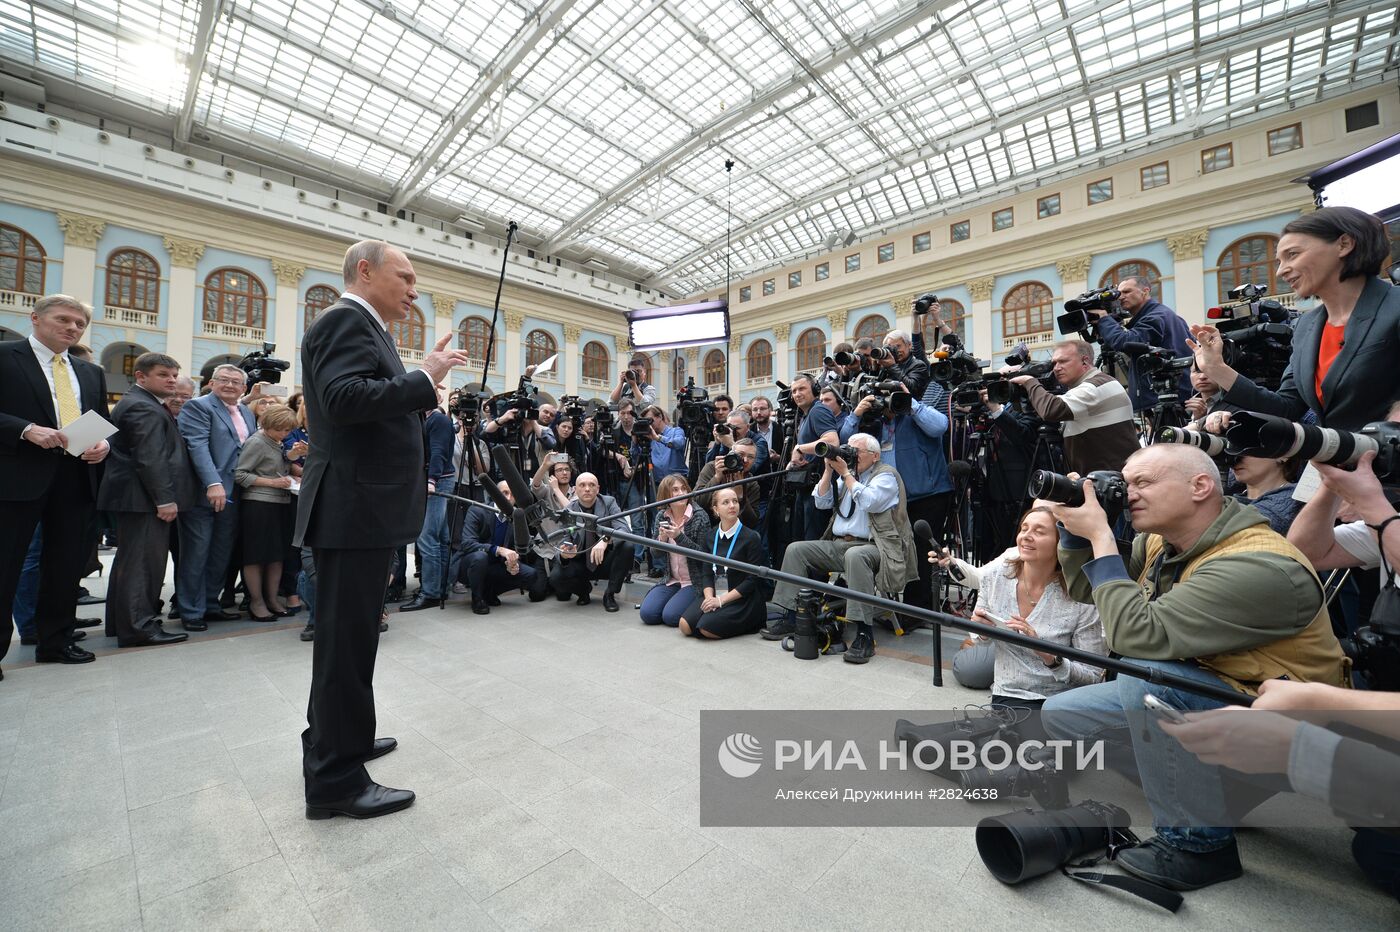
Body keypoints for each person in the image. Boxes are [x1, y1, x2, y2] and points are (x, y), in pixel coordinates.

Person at [1042, 443, 1348, 891]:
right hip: (1218, 689)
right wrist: (1074, 531)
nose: (1128, 494)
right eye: (1125, 483)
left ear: (1200, 486)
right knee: (1064, 714)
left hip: (1293, 719)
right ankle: (1213, 796)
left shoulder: (1258, 564)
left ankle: (1198, 847)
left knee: (1148, 678)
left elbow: (1134, 636)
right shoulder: (1159, 543)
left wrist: (1103, 537)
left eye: (1143, 482)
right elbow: (1097, 593)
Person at [295, 239, 470, 820]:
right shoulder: (344, 321)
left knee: (350, 643)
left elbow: (369, 410)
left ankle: (340, 740)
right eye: (406, 277)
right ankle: (335, 782)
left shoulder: (369, 328)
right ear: (365, 271)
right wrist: (425, 376)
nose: (414, 290)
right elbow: (343, 401)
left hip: (361, 510)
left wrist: (420, 384)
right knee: (345, 648)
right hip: (353, 510)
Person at [1190, 206, 1399, 431]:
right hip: (1333, 452)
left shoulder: (1394, 306)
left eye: (1292, 254)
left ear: (1344, 244)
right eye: (1279, 261)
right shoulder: (1305, 327)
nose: (1280, 271)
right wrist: (1216, 368)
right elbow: (1287, 408)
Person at [0, 294, 111, 673]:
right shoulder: (6, 356)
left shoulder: (90, 372)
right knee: (6, 564)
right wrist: (24, 429)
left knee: (64, 565)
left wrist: (103, 445)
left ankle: (56, 641)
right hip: (17, 476)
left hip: (75, 476)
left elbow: (99, 419)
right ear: (35, 318)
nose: (72, 328)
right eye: (63, 319)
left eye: (79, 324)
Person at [765, 433, 919, 664]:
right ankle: (792, 617)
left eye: (857, 451)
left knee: (856, 556)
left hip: (876, 547)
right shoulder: (848, 476)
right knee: (796, 549)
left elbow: (869, 501)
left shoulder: (886, 475)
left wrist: (846, 474)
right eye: (849, 449)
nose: (851, 455)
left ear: (875, 456)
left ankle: (864, 634)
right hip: (841, 544)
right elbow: (821, 502)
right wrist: (828, 471)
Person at [956, 507, 1106, 707]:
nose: (1026, 536)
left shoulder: (1081, 596)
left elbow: (1094, 676)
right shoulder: (996, 575)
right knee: (971, 673)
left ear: (1061, 543)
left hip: (1061, 699)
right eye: (1024, 529)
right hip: (1009, 691)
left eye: (1039, 531)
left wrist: (1047, 654)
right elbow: (979, 638)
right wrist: (982, 631)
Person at [839, 383, 953, 613]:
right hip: (891, 499)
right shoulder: (874, 423)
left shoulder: (915, 414)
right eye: (880, 398)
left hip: (926, 494)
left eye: (889, 398)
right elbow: (845, 442)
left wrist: (910, 403)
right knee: (896, 550)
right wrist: (857, 414)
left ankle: (918, 610)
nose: (885, 403)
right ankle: (894, 606)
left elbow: (941, 426)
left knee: (921, 553)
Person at [177, 363, 256, 631]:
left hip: (235, 495)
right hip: (205, 493)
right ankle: (191, 611)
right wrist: (213, 482)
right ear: (211, 383)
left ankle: (211, 603)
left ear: (244, 388)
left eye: (236, 382)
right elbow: (197, 446)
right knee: (197, 553)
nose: (230, 385)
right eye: (224, 380)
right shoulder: (198, 407)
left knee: (221, 552)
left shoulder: (246, 412)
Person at [1011, 339, 1139, 476]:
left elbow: (1050, 410)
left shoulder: (1095, 386)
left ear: (1085, 361)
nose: (1056, 368)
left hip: (1116, 480)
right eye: (1054, 363)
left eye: (1063, 361)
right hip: (1107, 478)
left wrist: (1030, 383)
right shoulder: (1092, 385)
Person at [1090, 276, 1193, 412]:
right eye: (1119, 293)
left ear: (1145, 291)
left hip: (1164, 398)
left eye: (1127, 292)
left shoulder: (1155, 317)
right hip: (1175, 393)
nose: (1121, 297)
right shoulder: (1166, 314)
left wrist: (1104, 319)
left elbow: (1125, 342)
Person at [235, 404, 299, 621]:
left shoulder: (276, 442)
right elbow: (240, 474)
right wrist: (273, 482)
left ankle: (271, 599)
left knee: (277, 556)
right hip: (259, 505)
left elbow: (277, 465)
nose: (284, 434)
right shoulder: (257, 442)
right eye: (280, 429)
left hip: (280, 503)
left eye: (287, 430)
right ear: (267, 424)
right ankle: (257, 602)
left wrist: (291, 457)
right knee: (256, 556)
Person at [677, 487, 766, 639]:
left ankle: (746, 623)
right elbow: (706, 572)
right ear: (716, 509)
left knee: (706, 628)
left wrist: (720, 601)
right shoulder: (710, 536)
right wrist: (709, 598)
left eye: (735, 501)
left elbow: (751, 581)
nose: (732, 505)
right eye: (726, 502)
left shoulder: (751, 537)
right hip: (716, 594)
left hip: (741, 599)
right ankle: (712, 617)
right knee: (685, 625)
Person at [401, 384, 458, 612]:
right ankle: (439, 587)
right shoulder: (426, 419)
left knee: (427, 538)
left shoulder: (438, 420)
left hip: (437, 481)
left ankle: (431, 592)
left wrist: (431, 480)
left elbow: (438, 452)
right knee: (439, 537)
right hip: (436, 480)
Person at [461, 481, 547, 614]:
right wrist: (498, 549)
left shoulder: (517, 517)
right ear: (495, 494)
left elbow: (516, 548)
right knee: (480, 557)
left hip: (497, 566)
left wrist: (512, 563)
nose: (508, 498)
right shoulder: (478, 510)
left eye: (512, 495)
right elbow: (467, 544)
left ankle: (489, 593)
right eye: (504, 493)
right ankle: (477, 598)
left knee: (530, 574)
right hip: (471, 565)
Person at [550, 471, 630, 611]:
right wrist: (565, 554)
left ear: (598, 489)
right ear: (575, 490)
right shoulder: (569, 510)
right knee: (556, 577)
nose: (587, 489)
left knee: (628, 546)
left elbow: (624, 529)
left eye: (591, 485)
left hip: (605, 559)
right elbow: (562, 540)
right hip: (580, 561)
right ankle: (583, 591)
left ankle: (610, 594)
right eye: (582, 485)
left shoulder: (609, 502)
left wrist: (606, 539)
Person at [640, 474, 706, 628]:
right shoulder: (662, 516)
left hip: (694, 581)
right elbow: (655, 554)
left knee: (670, 616)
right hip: (672, 579)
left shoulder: (699, 516)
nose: (681, 493)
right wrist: (662, 541)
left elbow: (703, 556)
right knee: (648, 614)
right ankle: (677, 599)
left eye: (684, 488)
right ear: (666, 495)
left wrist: (679, 537)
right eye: (675, 490)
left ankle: (689, 600)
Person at [785, 373, 842, 540]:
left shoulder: (818, 410)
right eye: (794, 391)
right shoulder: (806, 415)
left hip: (818, 488)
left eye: (802, 389)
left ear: (815, 389)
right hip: (808, 487)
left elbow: (832, 441)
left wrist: (800, 448)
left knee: (812, 542)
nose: (797, 394)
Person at [1230, 451, 1303, 535]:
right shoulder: (1234, 499)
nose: (1236, 457)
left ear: (1284, 454)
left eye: (1248, 447)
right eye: (1233, 449)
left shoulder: (1296, 498)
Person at [881, 329, 932, 398]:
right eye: (891, 348)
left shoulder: (918, 365)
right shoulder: (888, 365)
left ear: (909, 345)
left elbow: (912, 388)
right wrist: (875, 369)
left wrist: (892, 366)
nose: (895, 351)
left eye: (898, 346)